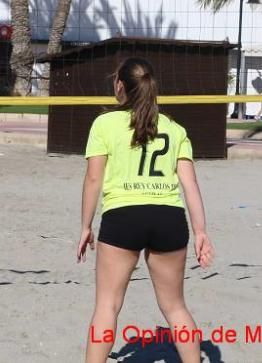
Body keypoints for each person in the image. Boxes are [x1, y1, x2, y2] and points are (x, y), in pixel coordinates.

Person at [78, 57, 214, 363]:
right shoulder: (175, 129)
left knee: (107, 306)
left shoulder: (105, 123)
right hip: (169, 218)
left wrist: (86, 226)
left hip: (123, 216)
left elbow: (93, 179)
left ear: (120, 87)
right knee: (175, 306)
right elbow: (190, 185)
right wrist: (201, 230)